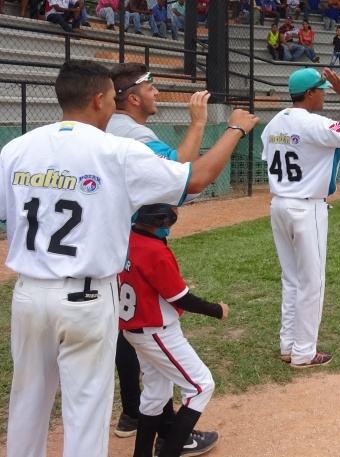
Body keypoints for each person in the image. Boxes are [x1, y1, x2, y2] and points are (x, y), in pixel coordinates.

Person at [1, 59, 257, 457]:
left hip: (28, 292)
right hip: (86, 297)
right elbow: (196, 178)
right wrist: (236, 128)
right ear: (99, 99)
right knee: (85, 411)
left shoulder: (16, 148)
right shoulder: (116, 150)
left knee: (27, 404)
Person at [106, 62, 257, 448]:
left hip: (117, 248)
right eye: (152, 87)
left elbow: (173, 169)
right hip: (130, 247)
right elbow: (191, 179)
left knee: (136, 344)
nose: (158, 93)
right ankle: (168, 437)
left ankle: (135, 416)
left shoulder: (121, 128)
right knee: (170, 360)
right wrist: (235, 129)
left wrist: (197, 124)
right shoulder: (130, 135)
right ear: (133, 97)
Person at [261, 67, 340, 368]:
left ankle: (289, 345)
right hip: (306, 207)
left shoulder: (275, 123)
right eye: (321, 89)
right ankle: (304, 352)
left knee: (292, 279)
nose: (325, 92)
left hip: (280, 204)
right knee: (312, 282)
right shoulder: (313, 123)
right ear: (310, 93)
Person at [120, 204, 227, 457]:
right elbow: (181, 298)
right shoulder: (155, 251)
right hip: (157, 332)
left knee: (156, 393)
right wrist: (217, 310)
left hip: (134, 331)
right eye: (171, 210)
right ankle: (171, 451)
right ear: (163, 219)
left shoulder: (127, 239)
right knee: (201, 386)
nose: (175, 212)